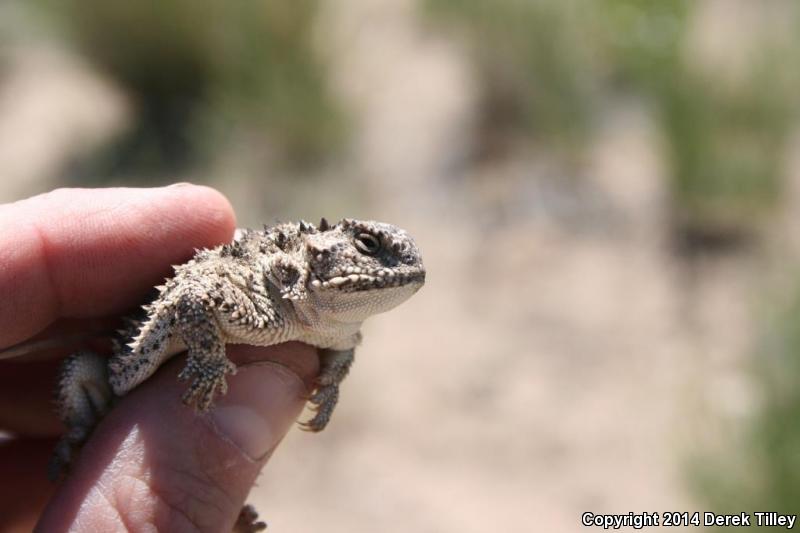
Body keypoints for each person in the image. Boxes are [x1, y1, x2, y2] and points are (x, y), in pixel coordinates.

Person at [0, 184, 318, 531]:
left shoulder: (317, 318)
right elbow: (195, 300)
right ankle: (81, 436)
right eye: (368, 247)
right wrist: (209, 361)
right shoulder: (262, 303)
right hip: (126, 371)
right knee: (79, 369)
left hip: (157, 387)